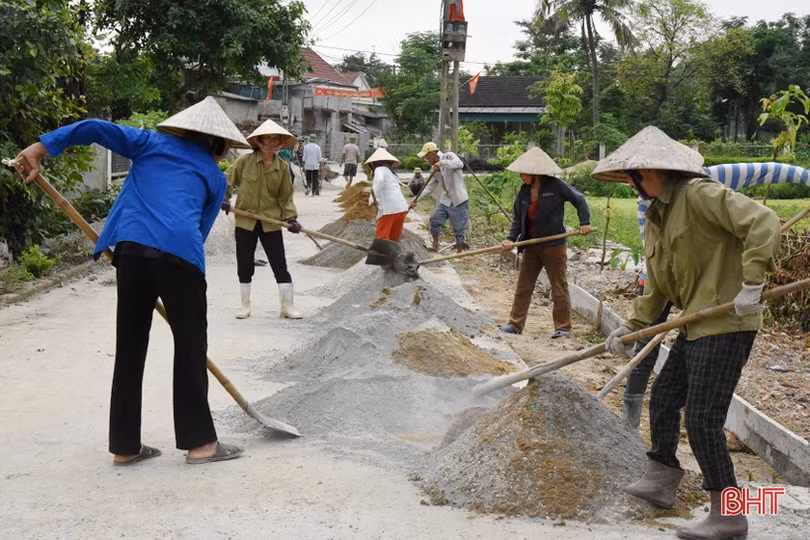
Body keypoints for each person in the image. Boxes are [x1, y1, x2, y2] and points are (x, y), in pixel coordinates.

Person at [11, 96, 248, 465]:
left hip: (132, 254)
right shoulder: (215, 178)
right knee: (190, 346)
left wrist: (42, 146)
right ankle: (200, 444)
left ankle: (125, 447)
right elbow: (197, 234)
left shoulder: (149, 143)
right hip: (180, 258)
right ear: (219, 143)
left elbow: (94, 128)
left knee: (130, 347)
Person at [596, 126, 780, 540]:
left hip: (727, 320)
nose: (630, 184)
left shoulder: (700, 195)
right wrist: (633, 326)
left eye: (632, 176)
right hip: (696, 321)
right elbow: (659, 284)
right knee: (663, 398)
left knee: (703, 417)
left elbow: (764, 221)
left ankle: (729, 513)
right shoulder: (659, 215)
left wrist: (752, 283)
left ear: (648, 171)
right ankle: (662, 478)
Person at [499, 148, 593, 339]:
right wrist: (511, 239)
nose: (520, 175)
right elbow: (518, 218)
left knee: (559, 286)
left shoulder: (556, 186)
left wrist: (584, 223)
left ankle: (563, 328)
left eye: (523, 172)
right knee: (524, 286)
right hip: (531, 245)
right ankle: (515, 324)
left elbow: (579, 199)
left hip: (553, 245)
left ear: (534, 173)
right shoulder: (524, 192)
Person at [220, 119, 303, 320]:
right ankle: (244, 305)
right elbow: (227, 180)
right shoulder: (244, 162)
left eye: (276, 139)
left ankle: (287, 306)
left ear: (280, 143)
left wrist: (291, 218)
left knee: (279, 263)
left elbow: (285, 197)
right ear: (259, 141)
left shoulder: (282, 168)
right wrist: (223, 198)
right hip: (245, 221)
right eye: (268, 138)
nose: (272, 143)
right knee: (245, 262)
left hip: (271, 222)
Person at [410, 142, 469, 253]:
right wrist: (416, 199)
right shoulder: (435, 168)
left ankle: (460, 250)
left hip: (458, 198)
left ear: (432, 153)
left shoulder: (449, 156)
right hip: (447, 199)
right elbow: (429, 186)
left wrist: (442, 163)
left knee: (459, 227)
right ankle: (436, 243)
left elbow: (460, 164)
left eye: (427, 156)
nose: (427, 159)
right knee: (435, 219)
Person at [367, 148, 408, 242]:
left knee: (381, 239)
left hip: (389, 209)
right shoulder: (391, 172)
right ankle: (393, 255)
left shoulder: (379, 169)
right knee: (394, 239)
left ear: (374, 163)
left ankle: (381, 256)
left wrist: (371, 199)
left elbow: (379, 181)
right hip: (401, 208)